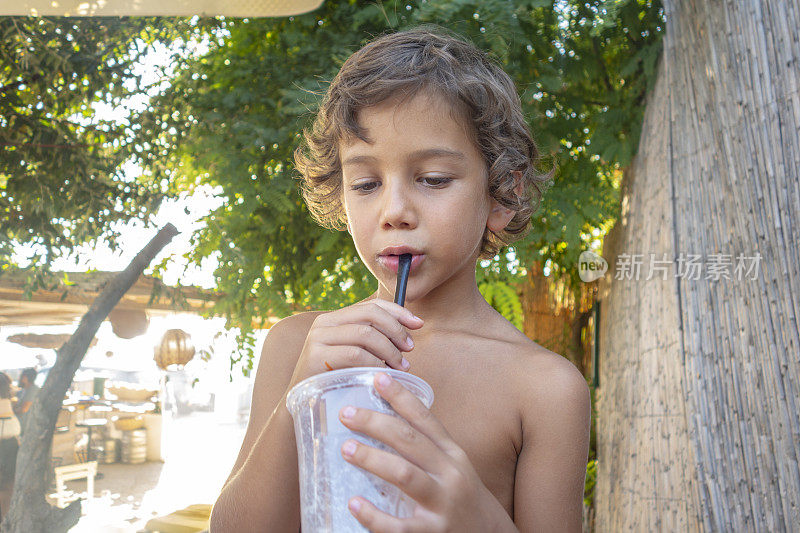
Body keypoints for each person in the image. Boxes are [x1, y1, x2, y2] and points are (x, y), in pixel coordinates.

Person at [210, 26, 590, 532]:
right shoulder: (295, 348)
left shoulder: (545, 389)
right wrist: (298, 402)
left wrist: (481, 520)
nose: (393, 211)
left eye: (432, 179)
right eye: (365, 184)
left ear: (502, 194)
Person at [0, 372, 21, 521]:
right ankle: (6, 519)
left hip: (6, 445)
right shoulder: (7, 400)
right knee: (9, 486)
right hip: (11, 444)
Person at [13, 368, 38, 436]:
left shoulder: (33, 390)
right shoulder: (23, 390)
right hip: (20, 424)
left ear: (26, 377)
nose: (19, 378)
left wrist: (12, 412)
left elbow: (24, 409)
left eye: (21, 376)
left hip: (26, 426)